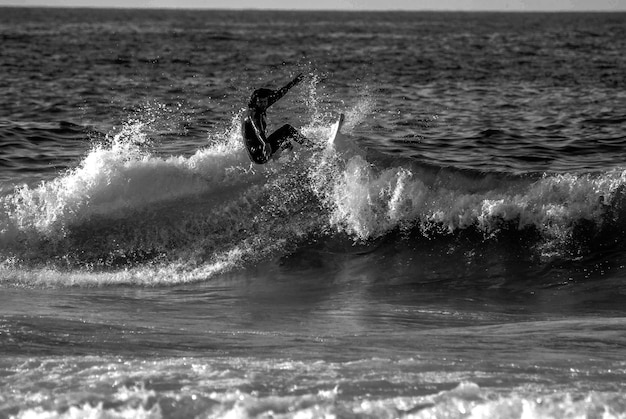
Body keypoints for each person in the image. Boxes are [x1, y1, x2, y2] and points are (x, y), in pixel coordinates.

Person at [242, 73, 311, 164]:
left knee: (288, 144)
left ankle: (281, 163)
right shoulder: (253, 113)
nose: (264, 104)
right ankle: (312, 146)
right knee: (287, 129)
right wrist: (265, 143)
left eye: (265, 101)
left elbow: (279, 94)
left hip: (259, 152)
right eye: (260, 102)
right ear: (255, 102)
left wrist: (294, 82)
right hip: (259, 154)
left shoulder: (262, 106)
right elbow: (257, 129)